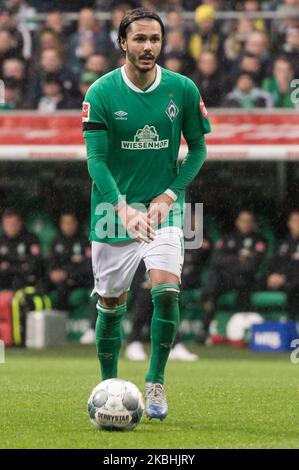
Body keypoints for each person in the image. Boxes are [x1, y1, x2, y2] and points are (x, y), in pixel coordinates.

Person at [83, 7, 210, 420]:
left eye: (154, 39)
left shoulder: (183, 90)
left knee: (166, 290)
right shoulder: (100, 94)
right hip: (111, 211)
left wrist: (171, 195)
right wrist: (122, 208)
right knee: (110, 303)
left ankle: (155, 382)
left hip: (164, 210)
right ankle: (109, 384)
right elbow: (96, 162)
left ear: (162, 43)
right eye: (139, 39)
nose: (147, 47)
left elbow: (198, 149)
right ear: (123, 42)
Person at [200, 210, 267, 343]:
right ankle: (205, 328)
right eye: (243, 220)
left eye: (249, 221)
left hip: (246, 280)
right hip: (226, 279)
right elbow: (216, 260)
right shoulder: (228, 238)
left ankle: (240, 334)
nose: (245, 224)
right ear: (237, 222)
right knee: (212, 279)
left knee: (242, 284)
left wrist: (229, 261)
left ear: (253, 223)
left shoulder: (259, 241)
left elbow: (250, 267)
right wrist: (238, 259)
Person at [47, 212, 93, 311]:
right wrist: (52, 273)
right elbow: (51, 264)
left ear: (76, 223)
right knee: (44, 287)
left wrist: (68, 274)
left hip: (81, 280)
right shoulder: (56, 242)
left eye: (70, 223)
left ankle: (63, 320)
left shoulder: (85, 241)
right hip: (62, 282)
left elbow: (89, 267)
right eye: (65, 223)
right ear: (61, 225)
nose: (68, 226)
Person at [265, 210, 299, 320]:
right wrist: (271, 276)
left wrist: (285, 278)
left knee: (294, 287)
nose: (297, 224)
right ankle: (257, 322)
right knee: (248, 283)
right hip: (279, 280)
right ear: (289, 223)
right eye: (295, 221)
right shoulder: (282, 244)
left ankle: (291, 322)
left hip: (293, 282)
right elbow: (272, 263)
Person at [0, 208, 42, 290]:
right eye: (7, 224)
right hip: (4, 278)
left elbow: (34, 265)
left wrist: (9, 267)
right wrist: (19, 266)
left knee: (19, 280)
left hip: (23, 281)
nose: (10, 227)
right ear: (2, 225)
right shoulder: (1, 240)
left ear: (20, 223)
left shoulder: (31, 239)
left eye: (13, 224)